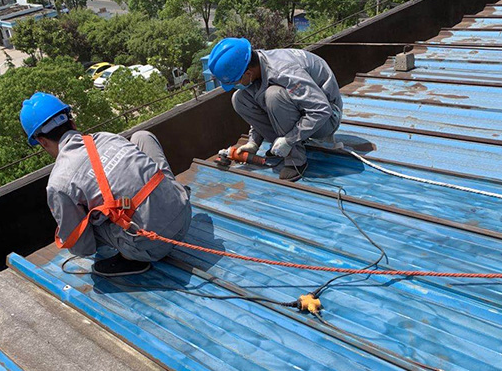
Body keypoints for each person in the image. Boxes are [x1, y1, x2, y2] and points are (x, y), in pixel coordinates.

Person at [20, 92, 192, 277]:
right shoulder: (107, 137)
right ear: (72, 123)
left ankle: (131, 257)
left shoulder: (59, 182)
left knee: (87, 225)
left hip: (153, 246)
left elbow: (83, 248)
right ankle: (167, 200)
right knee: (141, 137)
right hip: (183, 211)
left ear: (42, 142)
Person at [207, 38, 344, 181]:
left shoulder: (284, 71)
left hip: (327, 119)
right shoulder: (257, 67)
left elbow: (321, 110)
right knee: (240, 99)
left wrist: (290, 140)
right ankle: (281, 146)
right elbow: (258, 101)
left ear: (248, 73)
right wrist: (253, 142)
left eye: (236, 82)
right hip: (302, 111)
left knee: (273, 95)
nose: (237, 85)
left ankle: (296, 160)